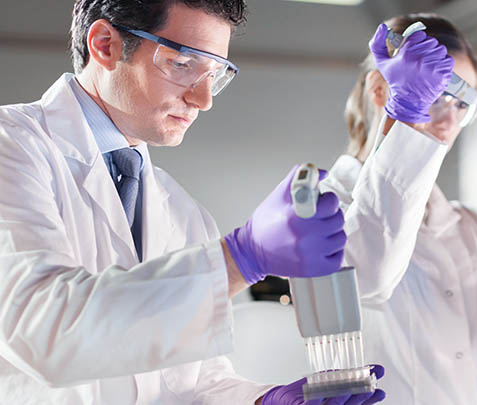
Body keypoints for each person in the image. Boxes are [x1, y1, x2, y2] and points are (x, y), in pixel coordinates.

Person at [0, 1, 385, 404]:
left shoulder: (180, 209)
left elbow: (194, 385)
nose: (204, 99)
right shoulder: (13, 146)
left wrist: (266, 401)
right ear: (105, 44)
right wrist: (240, 258)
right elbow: (41, 331)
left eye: (215, 75)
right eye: (183, 64)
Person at [319, 13, 477, 404]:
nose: (448, 119)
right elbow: (371, 277)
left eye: (463, 103)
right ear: (380, 89)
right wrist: (405, 115)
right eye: (436, 93)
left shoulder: (476, 227)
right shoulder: (320, 207)